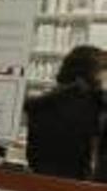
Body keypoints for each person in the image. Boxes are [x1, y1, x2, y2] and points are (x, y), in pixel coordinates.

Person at [25, 45, 104, 180]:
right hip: (75, 184)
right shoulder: (90, 103)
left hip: (40, 178)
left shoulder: (46, 100)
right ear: (93, 72)